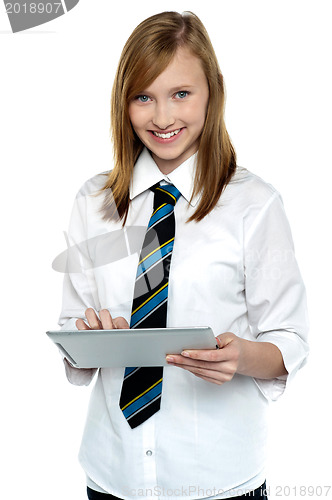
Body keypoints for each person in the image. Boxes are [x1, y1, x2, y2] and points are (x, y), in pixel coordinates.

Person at [58, 11, 309, 500]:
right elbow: (71, 330)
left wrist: (242, 357)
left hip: (218, 479)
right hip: (113, 475)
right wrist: (85, 339)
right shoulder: (93, 203)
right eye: (143, 97)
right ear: (123, 102)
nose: (163, 118)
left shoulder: (254, 205)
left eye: (181, 94)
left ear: (212, 91)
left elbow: (291, 339)